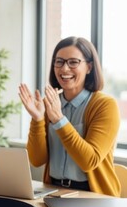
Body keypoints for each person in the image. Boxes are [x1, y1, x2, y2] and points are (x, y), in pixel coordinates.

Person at [19, 36, 121, 196]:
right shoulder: (49, 104)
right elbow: (37, 160)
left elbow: (89, 161)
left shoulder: (105, 105)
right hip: (53, 190)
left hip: (94, 194)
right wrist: (38, 119)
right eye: (59, 62)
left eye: (73, 62)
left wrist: (59, 120)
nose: (64, 69)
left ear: (89, 67)